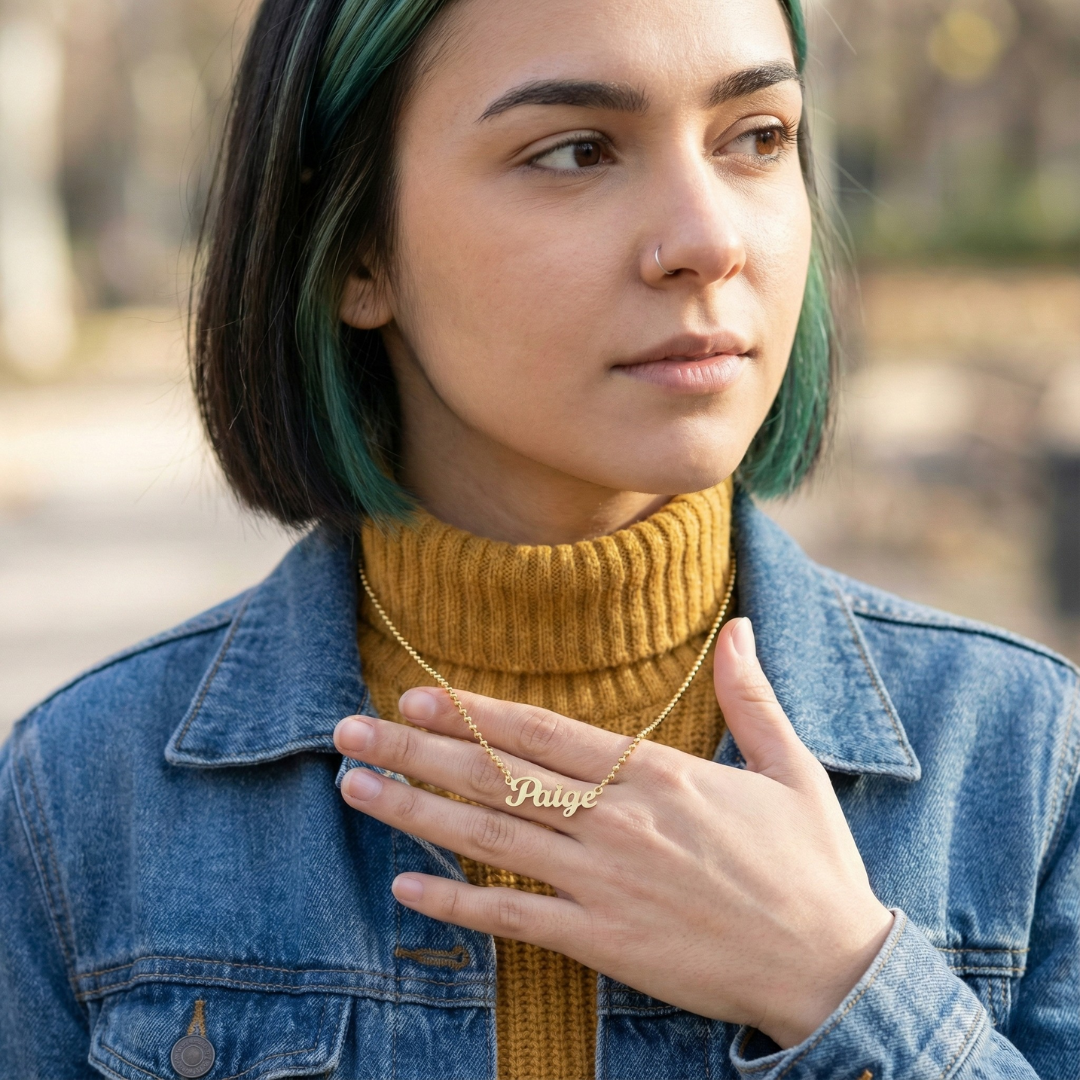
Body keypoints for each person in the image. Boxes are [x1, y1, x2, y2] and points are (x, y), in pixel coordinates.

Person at [1, 0, 1076, 1075]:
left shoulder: (1025, 759)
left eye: (757, 137)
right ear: (353, 252)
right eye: (576, 151)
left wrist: (840, 982)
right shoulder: (85, 796)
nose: (709, 241)